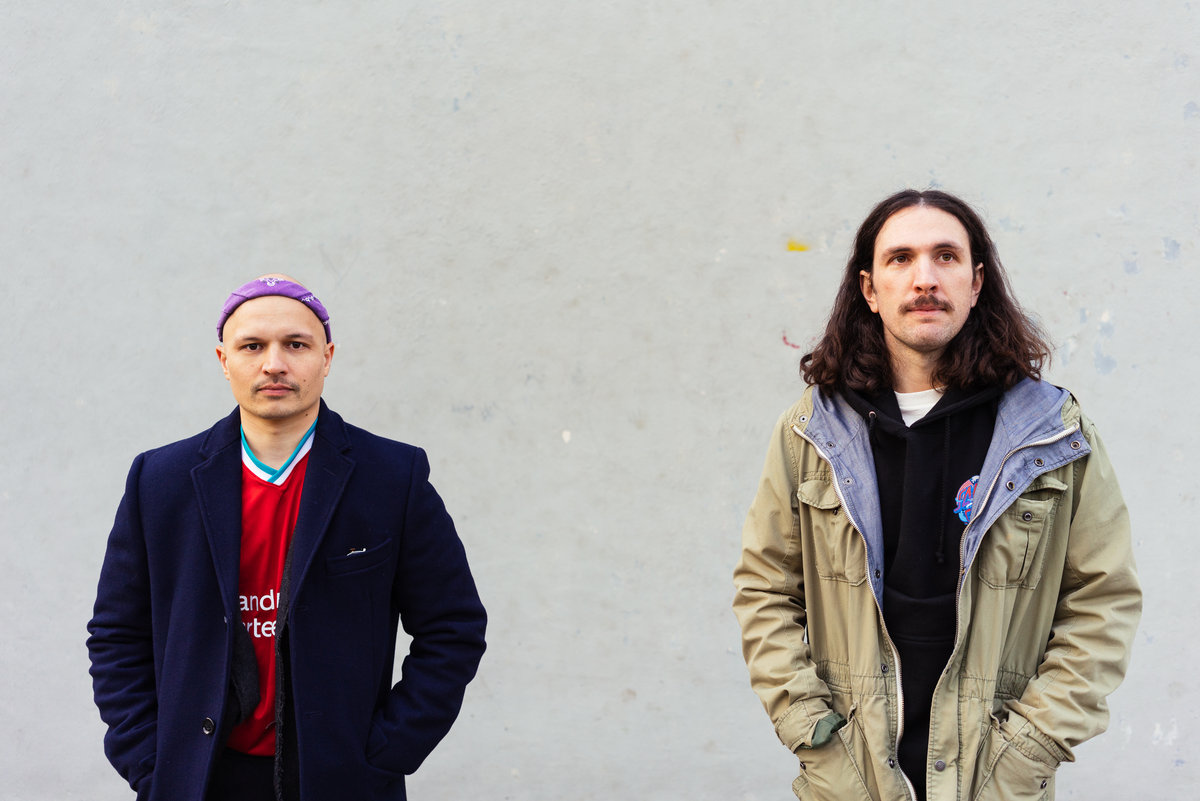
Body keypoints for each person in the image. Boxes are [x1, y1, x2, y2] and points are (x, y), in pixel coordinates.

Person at [732, 190, 1140, 801]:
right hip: (853, 777)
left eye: (945, 256)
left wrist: (1030, 750)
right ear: (870, 289)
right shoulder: (813, 432)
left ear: (976, 283)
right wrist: (811, 732)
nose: (924, 278)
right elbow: (765, 589)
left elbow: (1103, 600)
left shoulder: (1051, 434)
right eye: (901, 259)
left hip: (995, 778)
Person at [88, 275, 487, 801]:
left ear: (327, 357)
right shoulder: (160, 480)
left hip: (339, 779)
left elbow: (453, 628)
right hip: (198, 779)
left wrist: (382, 756)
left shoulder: (392, 476)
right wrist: (151, 763)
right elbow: (117, 635)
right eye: (252, 346)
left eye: (296, 345)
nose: (274, 363)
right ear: (223, 359)